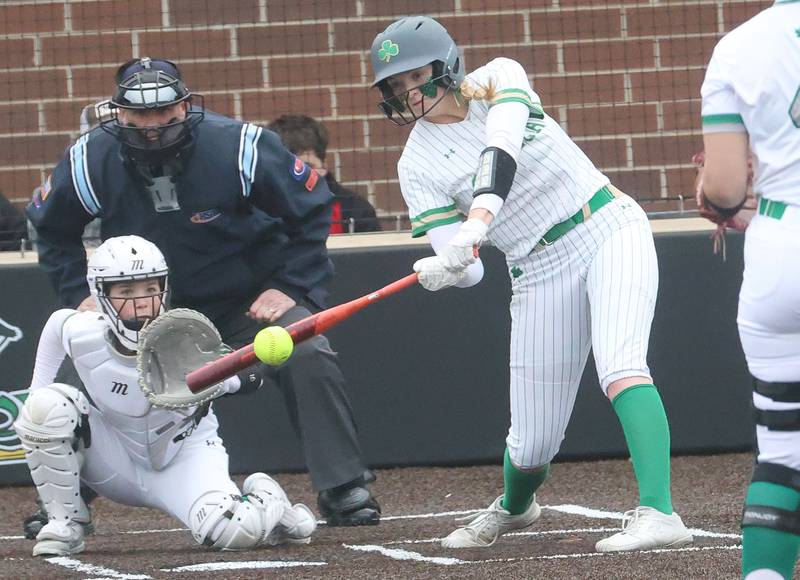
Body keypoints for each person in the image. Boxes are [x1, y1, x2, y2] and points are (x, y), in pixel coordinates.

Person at [369, 16, 693, 552]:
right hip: (537, 268)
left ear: (446, 65)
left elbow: (500, 154)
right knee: (531, 443)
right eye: (395, 85)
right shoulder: (415, 165)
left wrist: (477, 221)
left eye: (416, 75)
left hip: (606, 224)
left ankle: (660, 512)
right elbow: (470, 269)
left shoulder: (499, 76)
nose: (408, 92)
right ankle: (516, 506)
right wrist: (447, 269)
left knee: (621, 365)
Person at [25, 57, 380, 533]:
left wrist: (290, 286)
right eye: (139, 114)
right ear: (119, 114)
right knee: (78, 376)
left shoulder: (240, 146)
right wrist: (79, 294)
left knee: (307, 349)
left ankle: (343, 486)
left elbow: (312, 208)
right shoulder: (90, 158)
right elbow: (50, 229)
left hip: (246, 304)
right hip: (143, 311)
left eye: (163, 112)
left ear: (186, 106)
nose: (152, 126)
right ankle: (63, 504)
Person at [13, 235, 316, 556]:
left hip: (184, 460)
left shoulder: (186, 338)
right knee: (45, 406)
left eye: (149, 288)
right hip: (115, 460)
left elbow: (250, 378)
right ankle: (65, 522)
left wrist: (222, 381)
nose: (141, 301)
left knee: (238, 531)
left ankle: (267, 498)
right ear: (100, 293)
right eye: (126, 292)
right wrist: (38, 416)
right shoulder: (78, 330)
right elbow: (49, 350)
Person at [699, 3, 800, 578]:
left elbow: (725, 189)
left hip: (780, 247)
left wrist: (714, 192)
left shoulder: (737, 46)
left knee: (783, 450)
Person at [267, 114, 381, 234]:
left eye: (306, 166)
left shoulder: (355, 209)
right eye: (286, 168)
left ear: (324, 165)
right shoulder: (259, 209)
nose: (297, 177)